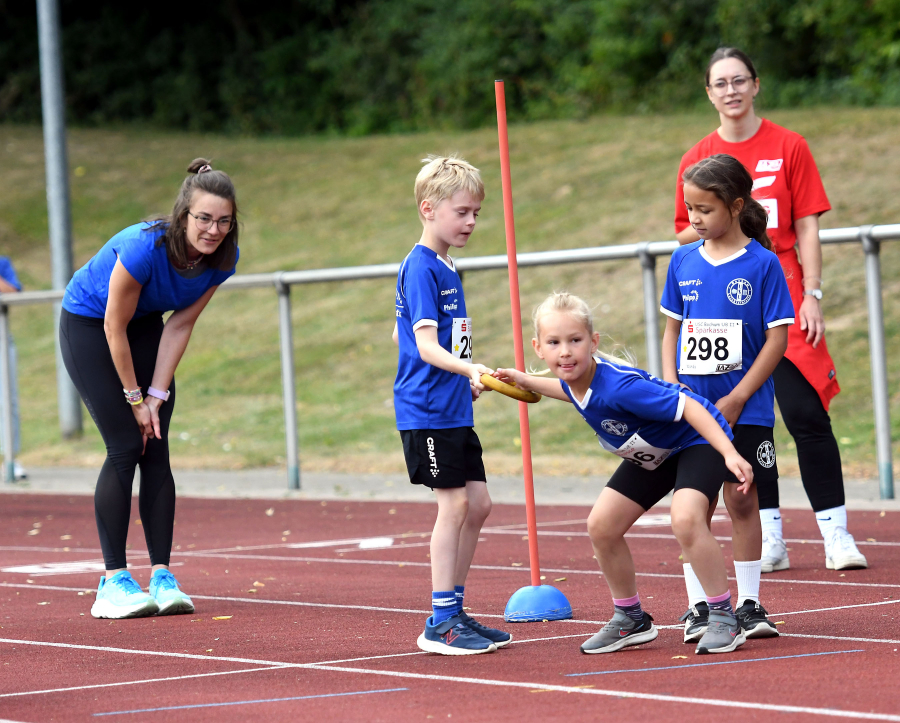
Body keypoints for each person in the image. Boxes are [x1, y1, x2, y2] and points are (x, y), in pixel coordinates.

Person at [675, 47, 867, 574]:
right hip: (725, 310)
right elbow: (686, 232)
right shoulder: (699, 158)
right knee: (744, 421)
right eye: (720, 82)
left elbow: (806, 222)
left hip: (782, 288)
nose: (731, 90)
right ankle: (771, 533)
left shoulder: (789, 145)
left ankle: (835, 532)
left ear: (756, 85)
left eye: (740, 80)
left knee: (806, 413)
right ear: (709, 93)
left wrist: (813, 292)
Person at [496, 292, 754, 655]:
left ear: (593, 342)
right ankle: (631, 618)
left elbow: (693, 407)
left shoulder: (621, 387)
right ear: (539, 348)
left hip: (698, 442)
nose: (565, 352)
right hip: (655, 455)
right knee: (601, 525)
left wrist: (729, 453)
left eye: (575, 340)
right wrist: (523, 380)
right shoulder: (575, 382)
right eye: (554, 343)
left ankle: (725, 617)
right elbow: (570, 392)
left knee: (685, 519)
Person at [59, 159, 239, 619]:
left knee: (155, 443)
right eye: (203, 218)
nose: (213, 229)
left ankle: (162, 575)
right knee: (125, 443)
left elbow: (180, 324)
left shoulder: (223, 257)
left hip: (145, 328)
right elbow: (112, 328)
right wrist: (135, 399)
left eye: (223, 220)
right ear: (183, 216)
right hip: (90, 325)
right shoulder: (143, 247)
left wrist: (156, 397)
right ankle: (113, 580)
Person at [662, 153, 793, 643]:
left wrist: (739, 396)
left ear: (735, 207)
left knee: (743, 499)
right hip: (693, 410)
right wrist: (673, 386)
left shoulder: (762, 264)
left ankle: (750, 601)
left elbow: (777, 339)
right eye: (689, 208)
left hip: (748, 408)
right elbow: (672, 331)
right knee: (693, 505)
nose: (693, 219)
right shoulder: (683, 260)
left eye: (704, 210)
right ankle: (699, 605)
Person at [392, 155, 510, 655]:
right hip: (427, 410)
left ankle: (455, 609)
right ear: (429, 208)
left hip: (453, 406)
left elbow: (447, 345)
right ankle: (440, 621)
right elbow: (423, 346)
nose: (471, 222)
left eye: (477, 213)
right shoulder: (421, 267)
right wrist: (467, 368)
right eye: (462, 212)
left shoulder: (445, 266)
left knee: (479, 504)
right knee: (456, 504)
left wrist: (467, 378)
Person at [0, 256, 26, 480]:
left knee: (7, 400)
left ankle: (10, 459)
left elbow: (14, 293)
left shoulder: (2, 263)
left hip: (1, 340)